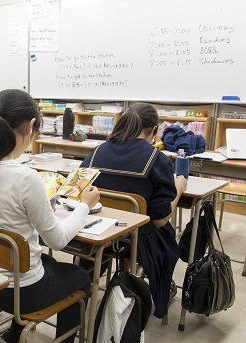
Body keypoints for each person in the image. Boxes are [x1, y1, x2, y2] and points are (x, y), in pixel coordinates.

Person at [0, 89, 100, 343]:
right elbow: (57, 241)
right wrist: (85, 206)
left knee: (50, 264)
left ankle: (14, 333)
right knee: (79, 276)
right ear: (31, 126)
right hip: (21, 291)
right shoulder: (25, 177)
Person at [79, 102, 187, 319]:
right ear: (154, 129)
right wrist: (179, 189)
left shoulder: (98, 151)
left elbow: (81, 184)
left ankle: (115, 278)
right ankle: (143, 285)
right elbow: (160, 220)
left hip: (100, 233)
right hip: (138, 241)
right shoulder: (156, 159)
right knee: (168, 237)